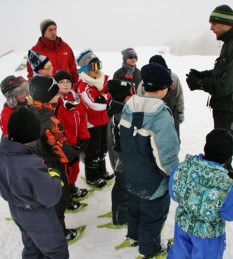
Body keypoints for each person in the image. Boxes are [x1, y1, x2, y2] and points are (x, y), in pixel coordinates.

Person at [0, 107, 69, 259]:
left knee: (32, 246)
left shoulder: (0, 154)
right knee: (56, 251)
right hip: (37, 213)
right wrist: (55, 179)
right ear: (32, 134)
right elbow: (50, 197)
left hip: (16, 209)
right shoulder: (30, 164)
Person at [119, 63, 180, 258]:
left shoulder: (129, 104)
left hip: (131, 172)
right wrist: (172, 174)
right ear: (162, 89)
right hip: (153, 181)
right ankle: (150, 249)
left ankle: (134, 237)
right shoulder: (160, 114)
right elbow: (166, 153)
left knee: (135, 207)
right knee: (152, 217)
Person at [186, 5, 233, 170]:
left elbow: (227, 85)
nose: (211, 28)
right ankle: (219, 186)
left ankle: (225, 189)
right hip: (225, 107)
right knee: (219, 150)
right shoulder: (230, 43)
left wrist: (201, 84)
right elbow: (222, 73)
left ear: (226, 23)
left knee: (223, 154)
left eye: (214, 23)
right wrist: (203, 74)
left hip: (231, 108)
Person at [167, 128, 233, 259]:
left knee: (179, 255)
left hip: (182, 227)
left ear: (206, 147)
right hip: (208, 237)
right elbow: (232, 214)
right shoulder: (227, 185)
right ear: (229, 157)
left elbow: (173, 193)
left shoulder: (183, 167)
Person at [29, 76, 80, 241]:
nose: (59, 97)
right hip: (54, 167)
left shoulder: (31, 110)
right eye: (56, 94)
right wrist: (73, 156)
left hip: (37, 163)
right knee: (59, 198)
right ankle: (59, 233)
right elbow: (62, 151)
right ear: (46, 96)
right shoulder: (50, 121)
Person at [76, 49, 114, 188]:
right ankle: (92, 176)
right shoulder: (84, 86)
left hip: (104, 121)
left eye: (99, 65)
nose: (97, 70)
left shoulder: (103, 81)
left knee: (103, 148)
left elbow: (111, 95)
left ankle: (102, 171)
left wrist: (104, 99)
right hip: (91, 124)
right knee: (92, 151)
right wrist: (107, 102)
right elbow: (92, 106)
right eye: (93, 67)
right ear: (86, 69)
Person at [54, 70, 90, 209]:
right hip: (65, 144)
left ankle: (72, 187)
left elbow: (82, 119)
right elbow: (60, 126)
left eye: (67, 82)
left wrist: (84, 137)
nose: (65, 84)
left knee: (74, 168)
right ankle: (65, 196)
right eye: (61, 82)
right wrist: (73, 142)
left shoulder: (75, 99)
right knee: (65, 171)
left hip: (75, 142)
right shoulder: (56, 103)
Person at [106, 79, 136, 226]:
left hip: (119, 159)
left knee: (119, 186)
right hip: (121, 162)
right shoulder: (120, 115)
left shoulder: (118, 109)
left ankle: (117, 209)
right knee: (124, 189)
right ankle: (121, 217)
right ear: (124, 98)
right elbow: (122, 143)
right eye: (130, 95)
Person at [139, 55, 185, 138]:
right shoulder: (145, 81)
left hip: (171, 112)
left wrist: (180, 112)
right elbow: (139, 96)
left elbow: (179, 95)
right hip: (151, 114)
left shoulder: (173, 78)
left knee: (173, 136)